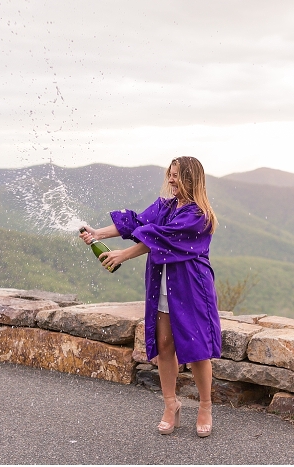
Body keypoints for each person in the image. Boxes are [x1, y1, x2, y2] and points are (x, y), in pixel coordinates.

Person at [79, 156, 222, 438]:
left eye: (177, 175)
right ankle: (171, 405)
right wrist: (98, 232)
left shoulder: (198, 216)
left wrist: (123, 254)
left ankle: (205, 406)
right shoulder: (166, 206)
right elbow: (136, 223)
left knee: (197, 349)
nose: (170, 180)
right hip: (163, 286)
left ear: (192, 179)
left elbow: (160, 237)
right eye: (169, 174)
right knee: (165, 346)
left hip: (192, 287)